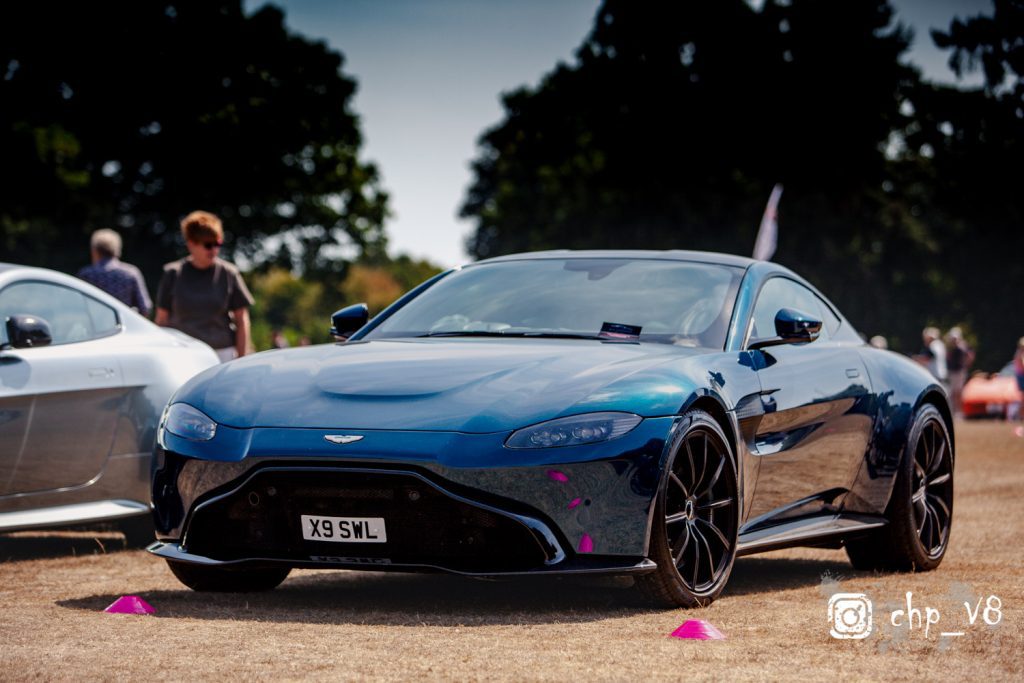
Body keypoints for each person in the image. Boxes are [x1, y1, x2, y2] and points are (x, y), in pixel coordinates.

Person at [155, 211, 253, 363]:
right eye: (208, 244)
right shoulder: (173, 273)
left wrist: (242, 358)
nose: (214, 249)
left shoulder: (229, 273)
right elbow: (162, 320)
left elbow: (242, 320)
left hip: (221, 354)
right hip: (183, 354)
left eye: (217, 243)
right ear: (191, 244)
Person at [77, 228, 152, 316]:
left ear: (95, 251)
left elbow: (77, 307)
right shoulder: (131, 273)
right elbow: (145, 308)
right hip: (125, 326)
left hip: (96, 327)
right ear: (117, 250)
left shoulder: (87, 274)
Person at [945, 327, 974, 418]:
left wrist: (965, 366)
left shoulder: (962, 346)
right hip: (954, 371)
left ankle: (959, 412)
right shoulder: (953, 347)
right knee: (954, 393)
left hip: (959, 372)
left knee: (958, 392)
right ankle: (954, 412)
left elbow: (970, 356)